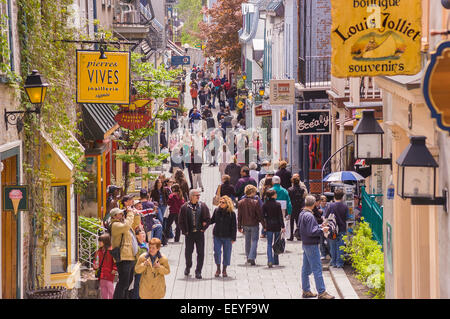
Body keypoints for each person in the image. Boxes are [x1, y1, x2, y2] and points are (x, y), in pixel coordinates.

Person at [298, 195, 335, 299]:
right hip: (311, 244)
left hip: (306, 243)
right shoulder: (309, 216)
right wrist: (322, 230)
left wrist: (319, 226)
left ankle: (306, 290)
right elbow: (312, 231)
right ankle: (322, 292)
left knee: (305, 269)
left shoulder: (302, 213)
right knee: (317, 268)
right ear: (314, 204)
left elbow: (307, 229)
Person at [178, 189, 211, 279]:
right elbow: (180, 221)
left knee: (201, 252)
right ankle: (188, 266)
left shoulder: (203, 206)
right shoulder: (184, 207)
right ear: (191, 196)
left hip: (199, 233)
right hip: (189, 234)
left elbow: (208, 218)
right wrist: (185, 231)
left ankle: (198, 271)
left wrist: (204, 228)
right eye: (197, 195)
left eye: (199, 195)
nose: (198, 197)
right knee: (188, 252)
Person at [110, 206, 141, 299]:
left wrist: (136, 214)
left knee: (128, 283)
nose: (122, 214)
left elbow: (135, 224)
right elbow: (127, 226)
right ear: (114, 216)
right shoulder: (115, 225)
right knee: (123, 283)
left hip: (130, 256)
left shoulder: (123, 223)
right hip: (123, 257)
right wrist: (130, 213)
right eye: (120, 213)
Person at [237, 185, 264, 266]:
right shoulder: (255, 202)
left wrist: (239, 226)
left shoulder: (241, 202)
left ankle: (248, 256)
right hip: (254, 224)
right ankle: (251, 257)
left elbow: (239, 215)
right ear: (252, 192)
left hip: (245, 224)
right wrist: (264, 225)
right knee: (255, 240)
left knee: (247, 241)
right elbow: (260, 215)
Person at [210, 196, 237, 277]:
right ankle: (218, 268)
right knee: (217, 252)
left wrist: (233, 238)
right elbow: (212, 220)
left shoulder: (232, 213)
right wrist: (204, 222)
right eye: (220, 202)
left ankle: (224, 269)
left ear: (227, 203)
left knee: (227, 253)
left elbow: (234, 226)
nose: (221, 204)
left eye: (223, 202)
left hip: (227, 236)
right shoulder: (216, 211)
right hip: (217, 235)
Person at [324, 188, 348, 268]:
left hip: (332, 229)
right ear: (342, 197)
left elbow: (326, 217)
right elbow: (347, 217)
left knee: (332, 246)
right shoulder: (345, 206)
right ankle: (339, 263)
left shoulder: (330, 205)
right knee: (340, 247)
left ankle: (333, 261)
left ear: (334, 196)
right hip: (341, 228)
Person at [262, 190, 285, 268]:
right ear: (272, 195)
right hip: (277, 225)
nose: (276, 195)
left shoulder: (265, 205)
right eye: (275, 194)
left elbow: (263, 216)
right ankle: (276, 260)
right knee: (276, 243)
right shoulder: (278, 204)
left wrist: (264, 226)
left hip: (269, 225)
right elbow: (280, 216)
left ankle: (270, 260)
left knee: (269, 243)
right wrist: (283, 226)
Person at [93, 233, 117, 299]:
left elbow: (115, 262)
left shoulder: (111, 251)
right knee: (103, 290)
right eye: (99, 241)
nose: (99, 242)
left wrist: (114, 269)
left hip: (109, 274)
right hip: (101, 275)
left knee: (110, 290)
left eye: (101, 241)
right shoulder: (98, 251)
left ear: (106, 241)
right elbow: (95, 260)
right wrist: (94, 265)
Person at [287, 175, 306, 241]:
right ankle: (299, 235)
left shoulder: (290, 189)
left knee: (291, 222)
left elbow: (288, 199)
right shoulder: (302, 190)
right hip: (299, 207)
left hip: (292, 207)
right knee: (299, 222)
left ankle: (291, 236)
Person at [131, 229, 149, 299]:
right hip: (139, 269)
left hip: (146, 269)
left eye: (144, 233)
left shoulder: (146, 244)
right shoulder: (137, 247)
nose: (143, 234)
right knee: (137, 286)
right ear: (137, 236)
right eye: (141, 233)